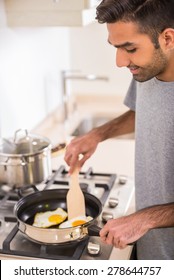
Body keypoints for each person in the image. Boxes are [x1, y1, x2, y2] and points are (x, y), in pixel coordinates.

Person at [64, 0, 174, 260]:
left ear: (168, 38)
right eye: (116, 48)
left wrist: (144, 219)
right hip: (152, 248)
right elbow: (142, 111)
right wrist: (97, 134)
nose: (120, 61)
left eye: (130, 48)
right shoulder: (147, 70)